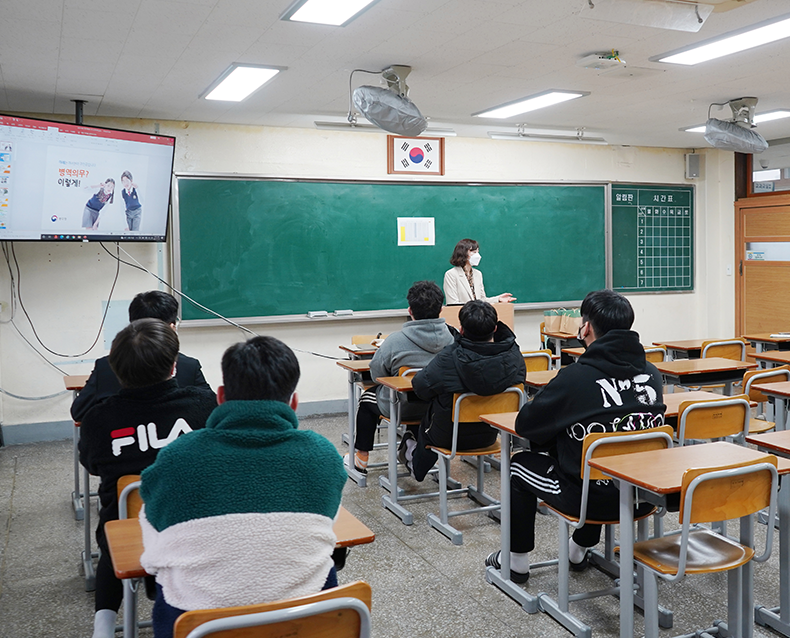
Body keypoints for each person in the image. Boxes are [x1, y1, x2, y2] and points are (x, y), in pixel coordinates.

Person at [139, 336, 347, 638]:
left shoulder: (178, 458)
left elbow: (153, 548)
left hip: (199, 624)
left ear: (221, 396)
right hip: (307, 624)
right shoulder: (323, 456)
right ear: (294, 402)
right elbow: (327, 526)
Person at [484, 289, 666, 583]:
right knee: (597, 459)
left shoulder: (575, 378)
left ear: (586, 328)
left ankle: (515, 561)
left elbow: (526, 426)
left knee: (520, 466)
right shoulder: (653, 374)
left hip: (590, 500)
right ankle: (578, 549)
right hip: (641, 495)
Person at [79, 318, 218, 638]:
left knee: (112, 530)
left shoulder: (99, 419)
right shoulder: (204, 405)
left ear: (115, 369)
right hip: (193, 526)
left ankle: (103, 624)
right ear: (174, 366)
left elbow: (92, 464)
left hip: (129, 530)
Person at [402, 299, 526, 481]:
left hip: (447, 437)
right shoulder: (514, 355)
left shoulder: (449, 358)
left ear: (461, 330)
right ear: (494, 329)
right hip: (491, 434)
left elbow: (420, 387)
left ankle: (417, 465)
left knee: (425, 419)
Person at [345, 280, 454, 473]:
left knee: (367, 399)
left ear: (410, 310)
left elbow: (377, 375)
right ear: (441, 309)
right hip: (439, 410)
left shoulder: (395, 341)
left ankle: (361, 458)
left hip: (401, 408)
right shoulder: (453, 338)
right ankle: (415, 448)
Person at [71, 290, 211, 423]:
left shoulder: (105, 366)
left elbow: (79, 411)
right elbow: (211, 410)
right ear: (171, 328)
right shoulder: (188, 366)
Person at [443, 238, 515, 305]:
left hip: (478, 316)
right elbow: (452, 303)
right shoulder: (451, 274)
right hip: (461, 316)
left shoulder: (478, 274)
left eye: (477, 252)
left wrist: (498, 299)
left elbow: (482, 300)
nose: (477, 255)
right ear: (463, 253)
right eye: (474, 252)